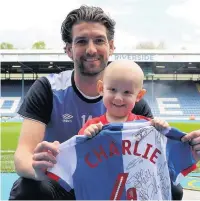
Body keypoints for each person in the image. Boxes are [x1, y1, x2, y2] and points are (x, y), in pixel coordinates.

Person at [9, 5, 200, 200]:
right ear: (68, 49)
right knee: (28, 188)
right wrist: (37, 169)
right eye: (82, 41)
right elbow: (23, 154)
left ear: (111, 47)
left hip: (111, 183)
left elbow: (154, 158)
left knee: (172, 188)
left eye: (99, 40)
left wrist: (190, 148)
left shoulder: (132, 100)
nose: (91, 49)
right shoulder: (48, 88)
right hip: (63, 184)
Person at [78, 60, 169, 136]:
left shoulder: (147, 125)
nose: (118, 98)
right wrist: (86, 137)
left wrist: (163, 129)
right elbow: (76, 148)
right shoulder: (91, 126)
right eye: (113, 89)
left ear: (139, 96)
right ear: (101, 88)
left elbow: (168, 144)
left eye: (127, 92)